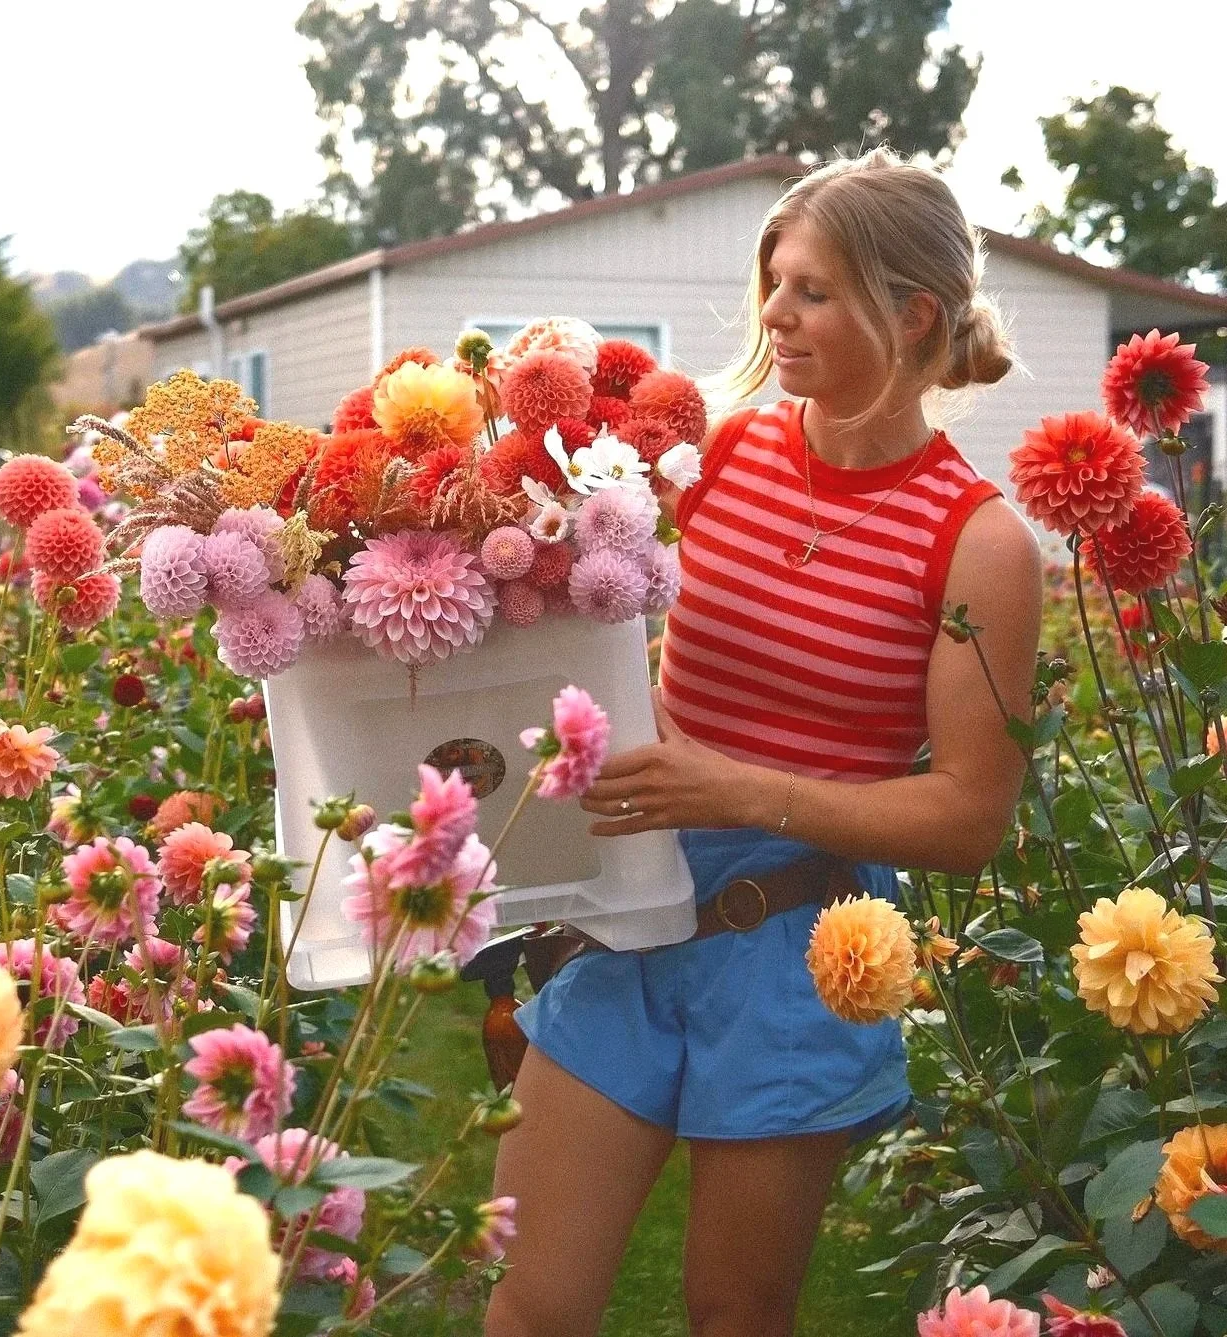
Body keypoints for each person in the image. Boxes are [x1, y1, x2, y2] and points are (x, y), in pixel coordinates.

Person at [484, 146, 1043, 1337]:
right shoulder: (716, 457)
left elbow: (966, 816)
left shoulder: (977, 542)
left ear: (913, 314)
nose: (774, 315)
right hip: (629, 895)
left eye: (812, 290)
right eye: (773, 282)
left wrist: (738, 785)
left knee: (733, 1316)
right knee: (530, 1303)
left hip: (800, 940)